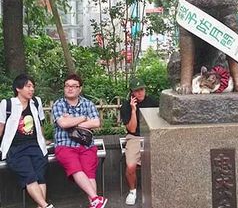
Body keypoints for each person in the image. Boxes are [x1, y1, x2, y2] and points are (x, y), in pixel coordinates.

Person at [51, 74, 107, 208]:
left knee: (89, 174)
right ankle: (95, 199)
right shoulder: (59, 104)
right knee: (75, 168)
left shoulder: (88, 103)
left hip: (86, 145)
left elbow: (96, 123)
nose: (70, 89)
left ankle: (95, 203)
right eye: (67, 86)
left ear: (80, 89)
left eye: (74, 86)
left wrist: (72, 121)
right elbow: (63, 124)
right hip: (65, 145)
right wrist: (83, 118)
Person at [0, 74, 55, 208]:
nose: (31, 90)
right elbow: (1, 127)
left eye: (33, 87)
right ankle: (46, 206)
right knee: (29, 176)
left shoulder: (36, 102)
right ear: (18, 88)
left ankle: (42, 206)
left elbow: (40, 123)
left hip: (36, 146)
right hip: (16, 148)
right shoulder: (7, 104)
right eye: (28, 86)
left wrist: (43, 139)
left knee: (40, 176)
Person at [120, 77, 158, 205]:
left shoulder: (153, 101)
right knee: (131, 166)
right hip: (134, 136)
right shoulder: (126, 105)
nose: (140, 93)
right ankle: (132, 191)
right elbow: (131, 128)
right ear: (132, 92)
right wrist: (133, 110)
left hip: (152, 135)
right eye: (136, 91)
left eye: (141, 89)